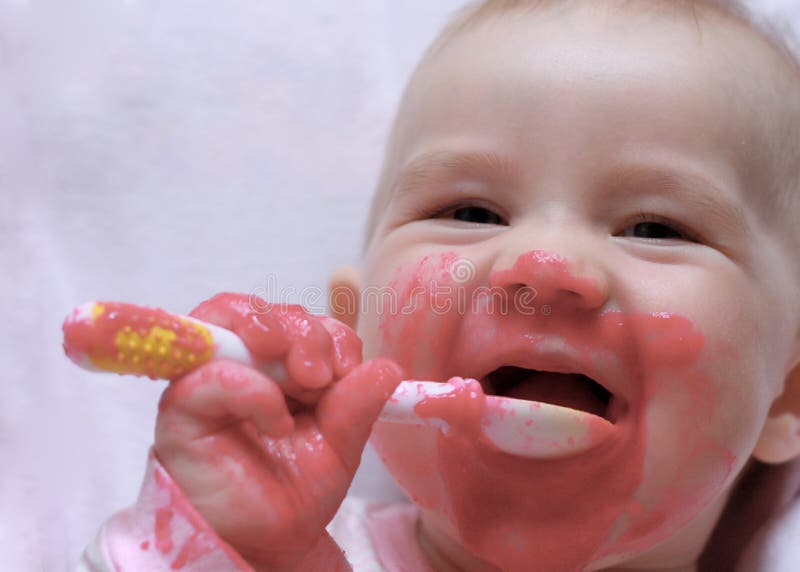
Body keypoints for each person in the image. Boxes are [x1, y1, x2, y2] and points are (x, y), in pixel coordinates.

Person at [78, 0, 800, 570]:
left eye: (654, 228)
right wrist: (209, 542)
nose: (542, 262)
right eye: (470, 212)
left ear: (789, 393)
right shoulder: (275, 548)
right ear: (357, 332)